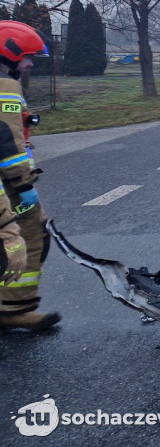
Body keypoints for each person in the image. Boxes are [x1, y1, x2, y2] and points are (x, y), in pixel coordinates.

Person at [0, 21, 60, 331]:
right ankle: (13, 308)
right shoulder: (5, 86)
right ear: (8, 52)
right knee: (33, 234)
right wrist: (23, 184)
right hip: (9, 186)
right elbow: (7, 141)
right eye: (27, 56)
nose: (29, 63)